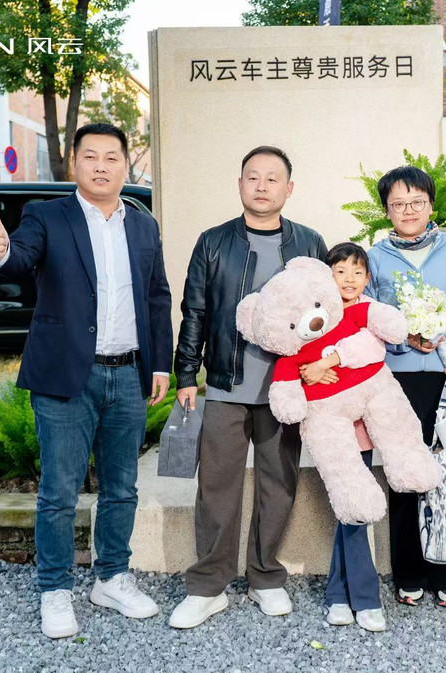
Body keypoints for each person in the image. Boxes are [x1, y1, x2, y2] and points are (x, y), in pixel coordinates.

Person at [0, 122, 173, 639]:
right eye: (91, 156)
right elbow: (20, 258)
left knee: (121, 488)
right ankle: (55, 587)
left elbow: (156, 296)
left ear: (126, 165)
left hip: (129, 373)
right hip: (67, 374)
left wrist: (160, 364)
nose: (102, 166)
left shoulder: (143, 225)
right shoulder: (47, 216)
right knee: (59, 491)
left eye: (112, 157)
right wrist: (0, 252)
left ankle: (111, 577)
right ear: (74, 163)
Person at [168, 146, 328, 629]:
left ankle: (265, 577)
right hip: (225, 385)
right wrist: (185, 375)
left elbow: (327, 314)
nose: (262, 186)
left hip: (286, 389)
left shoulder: (309, 243)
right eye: (252, 177)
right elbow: (194, 310)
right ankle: (207, 586)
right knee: (216, 489)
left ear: (289, 188)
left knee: (278, 485)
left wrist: (321, 372)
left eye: (272, 178)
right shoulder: (213, 242)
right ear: (240, 184)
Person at [365, 165, 446, 609]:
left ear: (431, 205)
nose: (408, 211)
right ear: (386, 210)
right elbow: (365, 317)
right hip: (397, 379)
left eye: (416, 202)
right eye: (398, 204)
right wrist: (404, 338)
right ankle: (409, 571)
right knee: (404, 471)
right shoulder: (376, 258)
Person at [300, 242, 388, 632]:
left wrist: (328, 361)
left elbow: (374, 349)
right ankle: (360, 598)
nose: (349, 279)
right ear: (328, 276)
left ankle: (343, 595)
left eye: (357, 271)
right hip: (330, 428)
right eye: (340, 271)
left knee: (352, 511)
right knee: (349, 509)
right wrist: (312, 369)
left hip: (362, 428)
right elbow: (298, 355)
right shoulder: (317, 313)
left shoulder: (370, 312)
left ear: (367, 278)